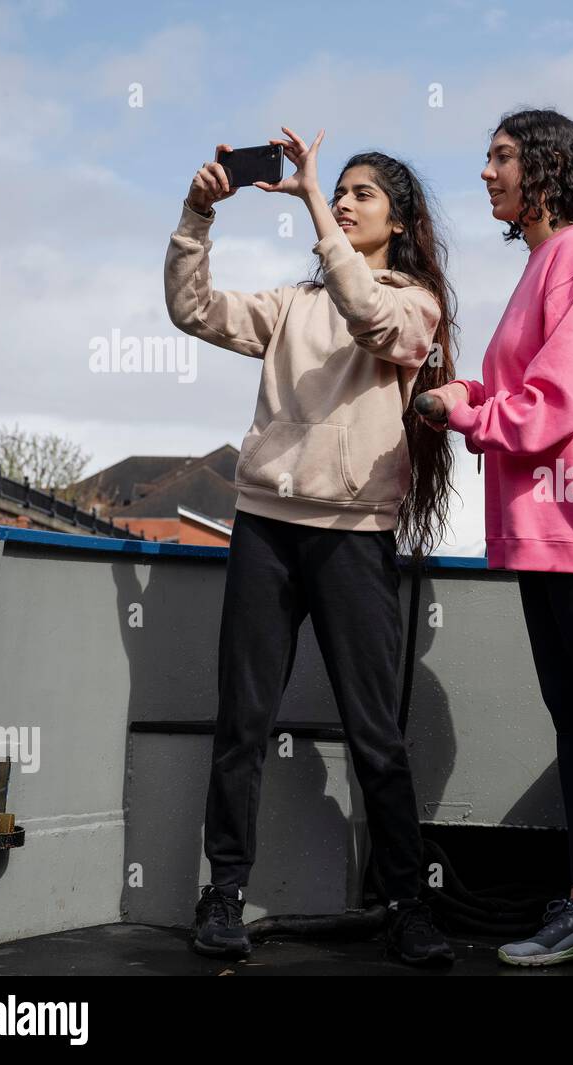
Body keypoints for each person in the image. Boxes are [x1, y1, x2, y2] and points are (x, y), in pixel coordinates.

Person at [165, 127, 457, 966]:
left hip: (354, 540)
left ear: (396, 222)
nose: (343, 199)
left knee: (374, 733)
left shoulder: (415, 302)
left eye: (362, 193)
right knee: (243, 724)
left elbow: (372, 319)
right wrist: (197, 213)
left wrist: (313, 205)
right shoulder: (292, 305)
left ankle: (407, 903)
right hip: (265, 529)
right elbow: (192, 308)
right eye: (341, 190)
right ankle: (223, 893)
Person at [419, 108, 573, 973]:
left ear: (547, 171)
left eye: (503, 157)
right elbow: (524, 384)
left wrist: (474, 416)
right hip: (543, 537)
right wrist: (462, 392)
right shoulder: (540, 266)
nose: (486, 172)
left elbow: (566, 393)